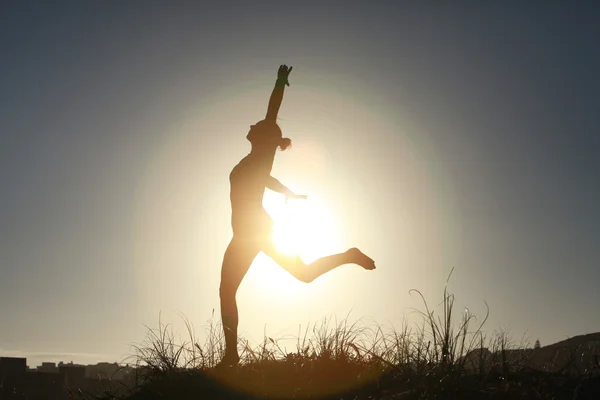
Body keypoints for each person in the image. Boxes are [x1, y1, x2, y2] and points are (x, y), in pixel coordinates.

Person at [218, 65, 376, 366]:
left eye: (258, 124)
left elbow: (271, 113)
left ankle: (348, 255)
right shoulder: (253, 162)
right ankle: (231, 355)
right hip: (244, 234)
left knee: (243, 287)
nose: (252, 124)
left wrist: (279, 82)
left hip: (256, 231)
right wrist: (288, 193)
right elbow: (266, 181)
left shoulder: (262, 155)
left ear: (263, 137)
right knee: (232, 290)